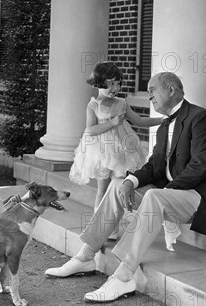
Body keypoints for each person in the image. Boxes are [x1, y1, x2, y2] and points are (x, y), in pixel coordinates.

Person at [46, 72, 206, 302]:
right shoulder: (163, 126)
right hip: (174, 193)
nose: (148, 95)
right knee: (118, 184)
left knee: (154, 196)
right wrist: (132, 181)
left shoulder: (201, 118)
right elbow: (154, 167)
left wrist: (169, 191)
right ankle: (85, 256)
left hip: (203, 197)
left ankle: (124, 276)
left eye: (152, 90)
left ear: (171, 90)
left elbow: (201, 165)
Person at [69, 62, 164, 210]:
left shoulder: (121, 103)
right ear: (99, 82)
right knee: (103, 189)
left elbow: (139, 120)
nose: (115, 88)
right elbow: (91, 130)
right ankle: (99, 223)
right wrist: (112, 123)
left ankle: (112, 223)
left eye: (118, 84)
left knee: (118, 186)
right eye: (111, 84)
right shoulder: (94, 105)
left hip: (122, 149)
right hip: (102, 152)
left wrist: (162, 120)